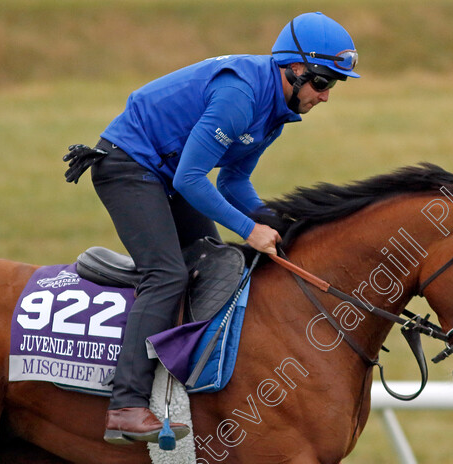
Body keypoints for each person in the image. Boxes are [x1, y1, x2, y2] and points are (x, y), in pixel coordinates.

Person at [62, 12, 359, 444]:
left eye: (334, 85)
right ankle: (125, 407)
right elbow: (190, 180)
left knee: (215, 265)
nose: (326, 96)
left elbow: (233, 180)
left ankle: (187, 383)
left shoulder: (277, 110)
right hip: (129, 166)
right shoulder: (240, 96)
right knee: (167, 273)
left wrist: (272, 219)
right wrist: (249, 228)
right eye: (323, 82)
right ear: (294, 70)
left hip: (169, 171)